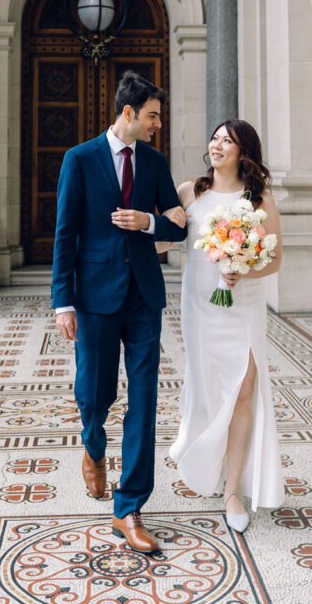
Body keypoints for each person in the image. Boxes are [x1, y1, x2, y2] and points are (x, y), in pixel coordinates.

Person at [52, 70, 188, 553]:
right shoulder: (80, 159)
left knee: (144, 400)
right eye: (152, 116)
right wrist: (62, 301)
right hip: (93, 296)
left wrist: (148, 221)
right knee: (95, 391)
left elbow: (177, 225)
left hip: (144, 296)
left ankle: (128, 507)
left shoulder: (155, 161)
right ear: (128, 113)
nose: (157, 124)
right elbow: (65, 233)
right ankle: (92, 444)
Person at [168, 119, 283, 532]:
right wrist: (159, 223)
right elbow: (163, 243)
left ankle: (233, 489)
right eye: (214, 138)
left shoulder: (259, 199)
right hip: (200, 306)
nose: (217, 146)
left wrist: (241, 271)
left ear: (243, 152)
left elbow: (275, 259)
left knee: (243, 391)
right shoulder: (189, 191)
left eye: (227, 141)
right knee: (208, 387)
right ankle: (207, 461)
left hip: (243, 306)